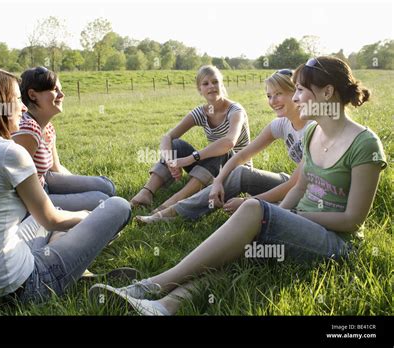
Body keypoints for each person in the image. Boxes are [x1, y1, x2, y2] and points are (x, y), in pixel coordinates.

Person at [89, 56, 387, 315]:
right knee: (238, 254)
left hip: (335, 243)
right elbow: (298, 189)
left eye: (299, 90)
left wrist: (284, 218)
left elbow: (352, 220)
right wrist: (278, 218)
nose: (294, 98)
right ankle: (164, 306)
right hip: (300, 226)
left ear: (327, 92)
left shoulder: (364, 144)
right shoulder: (312, 136)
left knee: (253, 210)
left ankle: (149, 286)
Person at [0, 66, 131, 305]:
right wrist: (89, 217)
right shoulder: (9, 152)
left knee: (55, 215)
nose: (22, 108)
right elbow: (51, 220)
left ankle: (74, 268)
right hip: (19, 289)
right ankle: (72, 272)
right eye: (18, 100)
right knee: (118, 206)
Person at [136, 69, 313, 224]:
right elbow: (242, 155)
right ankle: (152, 195)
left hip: (311, 192)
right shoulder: (281, 124)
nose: (273, 101)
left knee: (229, 160)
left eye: (279, 94)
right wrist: (218, 181)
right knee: (233, 169)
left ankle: (174, 210)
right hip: (294, 185)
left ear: (296, 93)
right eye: (269, 96)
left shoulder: (312, 128)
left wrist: (246, 203)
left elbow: (295, 184)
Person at [130, 65, 251, 213]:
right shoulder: (201, 112)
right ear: (200, 89)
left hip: (237, 170)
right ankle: (146, 192)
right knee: (176, 145)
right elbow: (167, 137)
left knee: (221, 151)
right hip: (215, 168)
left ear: (222, 84)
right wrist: (171, 162)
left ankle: (175, 201)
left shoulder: (235, 111)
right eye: (206, 83)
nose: (211, 86)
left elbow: (228, 142)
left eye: (215, 82)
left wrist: (189, 159)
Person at [13, 67, 116, 212]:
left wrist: (78, 188)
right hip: (31, 199)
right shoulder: (27, 131)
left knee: (107, 186)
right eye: (55, 90)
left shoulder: (47, 126)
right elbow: (17, 182)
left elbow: (56, 168)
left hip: (45, 181)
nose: (62, 94)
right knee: (102, 200)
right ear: (32, 95)